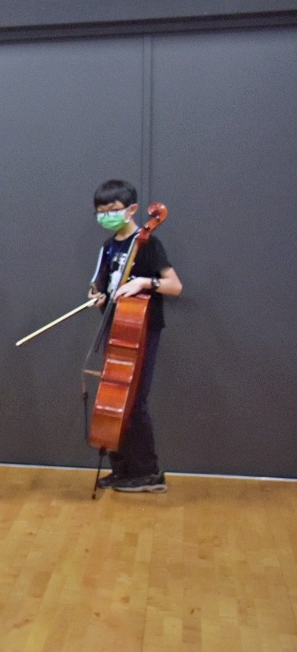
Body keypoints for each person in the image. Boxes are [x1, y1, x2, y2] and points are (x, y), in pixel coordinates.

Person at [88, 179, 181, 492]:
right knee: (113, 399)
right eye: (101, 211)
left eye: (112, 210)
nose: (106, 216)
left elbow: (175, 286)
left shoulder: (148, 243)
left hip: (141, 329)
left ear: (131, 210)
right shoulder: (108, 247)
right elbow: (98, 285)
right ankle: (122, 468)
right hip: (115, 329)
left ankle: (148, 472)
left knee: (135, 401)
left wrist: (144, 282)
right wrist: (96, 296)